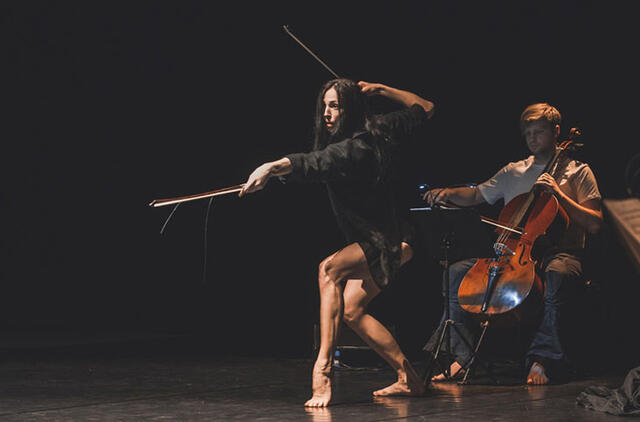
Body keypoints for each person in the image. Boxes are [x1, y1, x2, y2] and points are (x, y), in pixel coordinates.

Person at [239, 78, 435, 407]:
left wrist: (272, 167)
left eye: (336, 106)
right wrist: (382, 91)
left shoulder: (359, 144)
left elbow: (317, 162)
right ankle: (409, 380)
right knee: (353, 310)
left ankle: (323, 372)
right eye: (325, 106)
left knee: (328, 270)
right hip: (389, 237)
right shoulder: (379, 127)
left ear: (351, 109)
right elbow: (425, 108)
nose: (327, 113)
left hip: (391, 238)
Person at [423, 102, 602, 385]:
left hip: (560, 252)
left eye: (539, 131)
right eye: (528, 132)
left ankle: (542, 359)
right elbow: (474, 195)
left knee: (558, 273)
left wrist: (559, 194)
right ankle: (462, 356)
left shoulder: (578, 171)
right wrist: (445, 193)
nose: (532, 137)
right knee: (456, 272)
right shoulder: (513, 171)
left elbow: (594, 222)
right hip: (513, 254)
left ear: (556, 132)